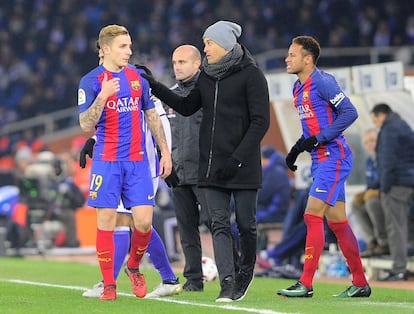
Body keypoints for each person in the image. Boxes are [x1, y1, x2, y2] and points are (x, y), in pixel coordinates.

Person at [142, 21, 270, 302]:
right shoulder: (208, 78)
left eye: (208, 43)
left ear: (224, 44)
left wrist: (237, 159)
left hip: (242, 165)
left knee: (246, 226)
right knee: (220, 226)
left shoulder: (252, 76)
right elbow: (186, 107)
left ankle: (244, 274)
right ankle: (227, 284)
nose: (205, 48)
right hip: (211, 169)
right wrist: (155, 86)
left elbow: (261, 122)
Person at [77, 24, 172, 301]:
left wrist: (165, 152)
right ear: (105, 49)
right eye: (123, 46)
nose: (129, 51)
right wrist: (104, 96)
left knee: (143, 223)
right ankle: (108, 285)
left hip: (137, 161)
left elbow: (152, 116)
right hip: (107, 162)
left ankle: (133, 266)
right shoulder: (91, 81)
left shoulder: (137, 79)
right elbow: (85, 124)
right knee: (106, 221)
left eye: (129, 46)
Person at [277, 35, 371, 298]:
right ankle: (360, 283)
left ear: (308, 59)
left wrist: (319, 139)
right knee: (338, 223)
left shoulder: (323, 82)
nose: (287, 58)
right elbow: (311, 128)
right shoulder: (298, 88)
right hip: (320, 160)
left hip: (334, 157)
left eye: (292, 54)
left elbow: (350, 113)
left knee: (311, 215)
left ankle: (305, 283)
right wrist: (296, 150)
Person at [163, 44, 212, 292]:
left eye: (182, 62)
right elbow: (162, 134)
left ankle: (234, 274)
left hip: (204, 173)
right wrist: (167, 162)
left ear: (197, 64)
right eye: (174, 63)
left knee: (217, 224)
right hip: (178, 174)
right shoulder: (168, 96)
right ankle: (194, 280)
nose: (177, 67)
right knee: (187, 231)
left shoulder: (208, 92)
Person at [370, 103, 414, 281]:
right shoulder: (401, 125)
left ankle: (399, 268)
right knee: (401, 225)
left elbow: (387, 162)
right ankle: (399, 266)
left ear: (381, 115)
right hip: (406, 181)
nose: (375, 124)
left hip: (396, 184)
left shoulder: (389, 130)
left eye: (375, 120)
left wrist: (384, 187)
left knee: (396, 227)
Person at [351, 129, 388, 257]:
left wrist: (373, 190)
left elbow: (386, 179)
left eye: (372, 140)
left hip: (388, 194)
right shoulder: (369, 161)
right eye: (366, 143)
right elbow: (370, 182)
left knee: (371, 202)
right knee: (355, 204)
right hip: (376, 193)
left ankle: (384, 243)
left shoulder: (386, 157)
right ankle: (373, 241)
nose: (369, 144)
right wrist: (366, 192)